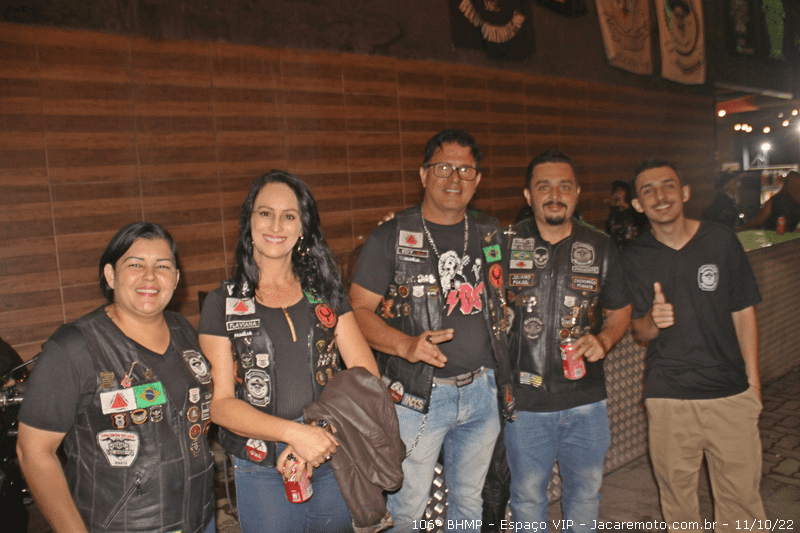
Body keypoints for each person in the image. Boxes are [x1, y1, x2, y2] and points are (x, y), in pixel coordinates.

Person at [349, 129, 515, 533]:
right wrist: (405, 344)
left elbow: (502, 294)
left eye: (465, 170)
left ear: (477, 179)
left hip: (483, 390)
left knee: (469, 503)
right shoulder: (391, 236)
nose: (454, 178)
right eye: (443, 168)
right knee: (406, 509)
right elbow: (356, 312)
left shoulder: (489, 231)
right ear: (424, 174)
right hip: (418, 396)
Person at [198, 170, 380, 533]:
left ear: (302, 228)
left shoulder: (326, 293)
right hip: (261, 467)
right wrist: (294, 435)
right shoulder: (222, 302)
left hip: (332, 452)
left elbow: (367, 376)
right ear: (249, 221)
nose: (276, 225)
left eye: (289, 215)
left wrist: (317, 433)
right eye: (265, 213)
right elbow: (220, 405)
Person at [17, 222, 216, 533]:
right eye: (135, 264)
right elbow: (33, 452)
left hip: (200, 518)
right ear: (110, 275)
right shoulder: (73, 347)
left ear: (176, 278)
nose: (150, 276)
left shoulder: (183, 330)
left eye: (162, 266)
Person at [621, 160, 767, 533]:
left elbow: (743, 312)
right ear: (638, 204)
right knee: (679, 508)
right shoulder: (634, 257)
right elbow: (640, 331)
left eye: (668, 185)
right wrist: (653, 320)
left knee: (742, 506)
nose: (660, 196)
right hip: (669, 396)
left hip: (730, 393)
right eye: (648, 190)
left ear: (684, 192)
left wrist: (753, 384)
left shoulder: (721, 241)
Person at [503, 150, 631, 531]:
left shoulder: (601, 246)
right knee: (527, 497)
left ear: (577, 193)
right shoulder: (503, 246)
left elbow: (620, 311)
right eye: (544, 187)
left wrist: (604, 340)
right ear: (528, 195)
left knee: (585, 495)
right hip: (524, 403)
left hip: (586, 401)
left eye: (564, 186)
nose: (554, 195)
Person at [605, 180, 648, 246]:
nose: (618, 193)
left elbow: (642, 221)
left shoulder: (636, 210)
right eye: (616, 190)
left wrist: (624, 204)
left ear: (627, 192)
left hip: (637, 247)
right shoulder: (614, 215)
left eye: (621, 190)